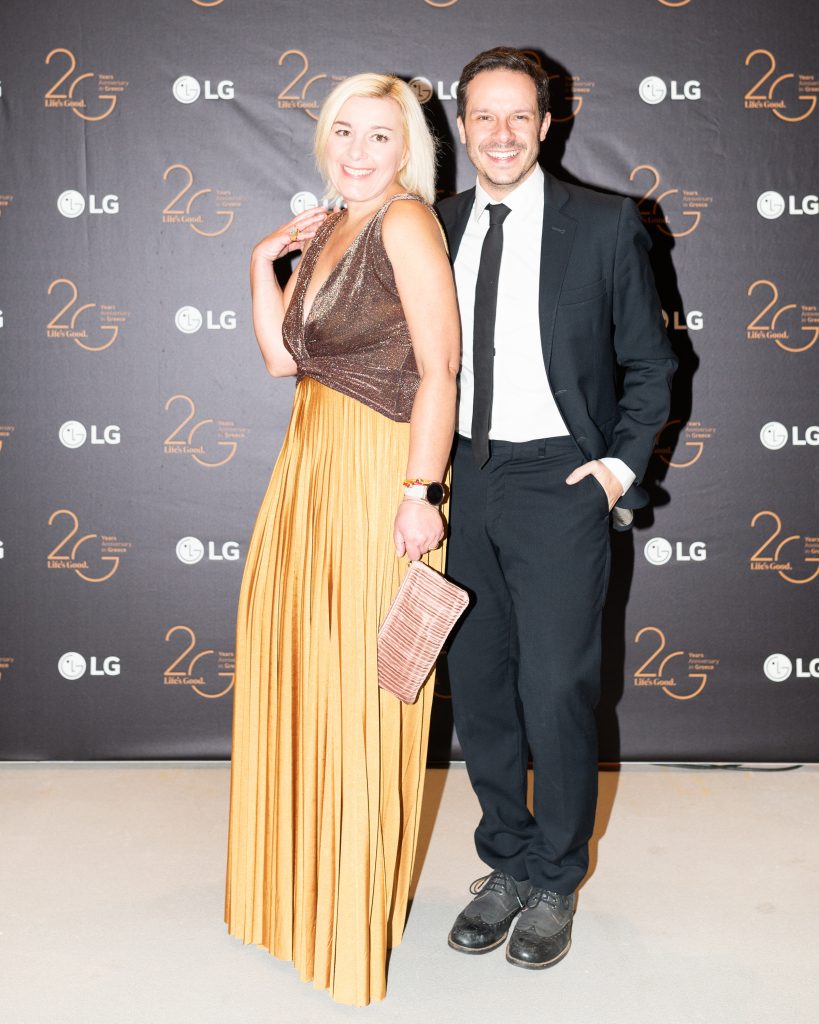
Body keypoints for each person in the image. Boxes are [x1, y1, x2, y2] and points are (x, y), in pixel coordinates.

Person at [438, 48, 677, 970]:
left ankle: (554, 877)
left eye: (517, 116)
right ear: (462, 126)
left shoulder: (606, 224)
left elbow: (651, 365)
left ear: (545, 124)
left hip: (559, 483)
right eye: (482, 116)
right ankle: (504, 860)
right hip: (463, 479)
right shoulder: (433, 225)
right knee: (481, 688)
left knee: (556, 689)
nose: (499, 134)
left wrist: (614, 470)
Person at [225, 73, 460, 1005]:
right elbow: (283, 358)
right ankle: (293, 900)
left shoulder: (406, 222)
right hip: (307, 465)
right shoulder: (324, 228)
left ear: (408, 149)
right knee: (300, 670)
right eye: (345, 133)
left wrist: (420, 492)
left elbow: (439, 370)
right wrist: (261, 264)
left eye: (379, 136)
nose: (358, 152)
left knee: (364, 688)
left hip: (376, 471)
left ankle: (348, 920)